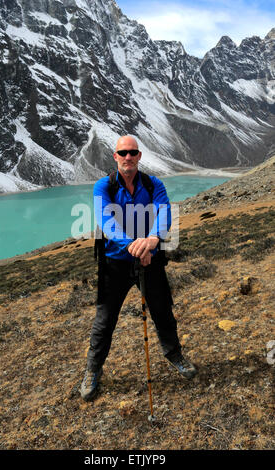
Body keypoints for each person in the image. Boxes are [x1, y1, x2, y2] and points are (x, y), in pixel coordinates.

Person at [80, 135, 196, 401]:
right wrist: (136, 247)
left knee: (163, 311)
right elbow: (107, 223)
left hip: (150, 259)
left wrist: (152, 242)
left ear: (139, 156)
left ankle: (174, 354)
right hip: (115, 263)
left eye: (133, 153)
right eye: (123, 153)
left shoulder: (153, 184)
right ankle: (92, 369)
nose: (128, 157)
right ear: (115, 156)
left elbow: (164, 212)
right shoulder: (103, 187)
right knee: (104, 320)